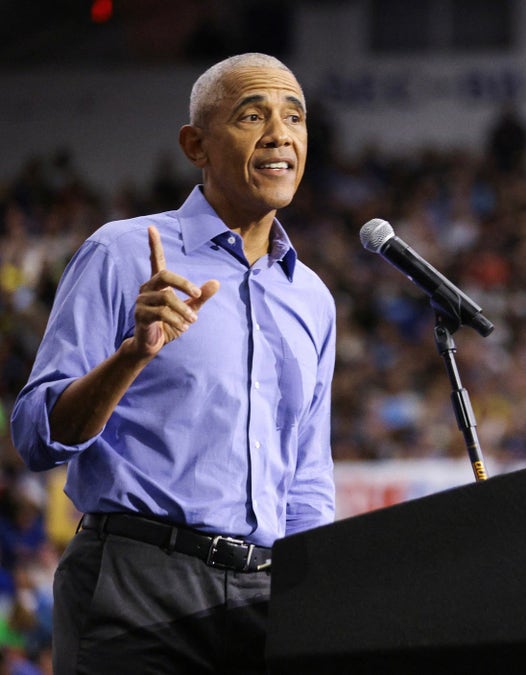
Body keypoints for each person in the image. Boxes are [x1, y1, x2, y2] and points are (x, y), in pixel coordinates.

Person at [9, 53, 336, 673]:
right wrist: (131, 357)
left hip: (266, 600)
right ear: (196, 145)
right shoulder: (121, 252)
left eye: (294, 117)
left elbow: (308, 482)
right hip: (137, 586)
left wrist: (316, 600)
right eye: (252, 115)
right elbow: (35, 435)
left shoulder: (312, 298)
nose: (280, 134)